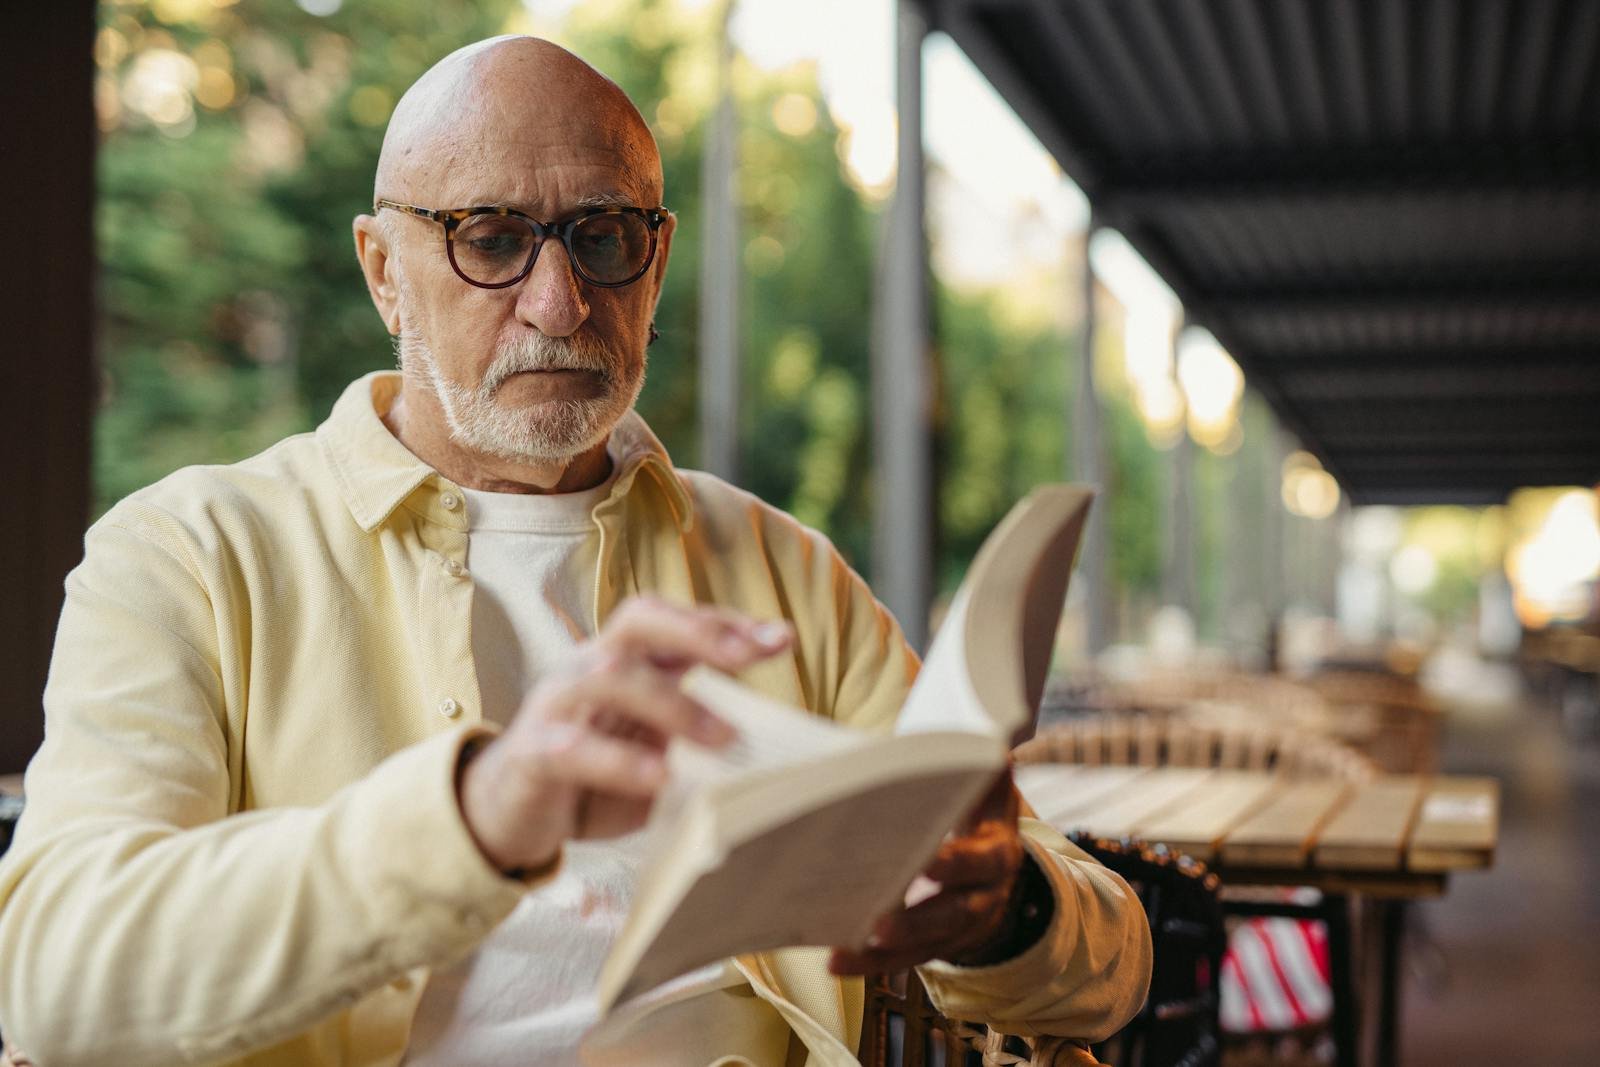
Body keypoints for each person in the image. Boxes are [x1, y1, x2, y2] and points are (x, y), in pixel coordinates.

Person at [0, 36, 1149, 1067]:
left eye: (601, 235)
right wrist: (474, 814)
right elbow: (54, 976)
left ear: (655, 260)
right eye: (489, 238)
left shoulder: (784, 573)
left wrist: (1009, 908)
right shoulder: (192, 553)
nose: (557, 302)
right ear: (381, 268)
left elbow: (1113, 966)